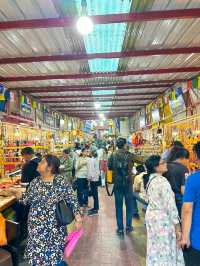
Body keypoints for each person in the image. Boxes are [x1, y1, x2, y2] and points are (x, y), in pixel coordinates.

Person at [12, 154, 82, 266]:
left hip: (54, 227)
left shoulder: (60, 181)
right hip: (36, 228)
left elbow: (72, 199)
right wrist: (17, 195)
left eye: (42, 162)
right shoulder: (35, 182)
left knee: (54, 256)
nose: (39, 163)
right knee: (37, 257)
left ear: (50, 167)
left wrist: (78, 219)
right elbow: (27, 200)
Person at [145, 155, 184, 266]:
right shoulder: (163, 182)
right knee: (166, 248)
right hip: (163, 220)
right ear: (156, 167)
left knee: (154, 246)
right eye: (163, 163)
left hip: (152, 217)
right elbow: (170, 206)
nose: (166, 164)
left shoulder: (150, 180)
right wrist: (177, 226)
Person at [108, 137, 134, 236]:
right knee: (129, 205)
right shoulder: (130, 155)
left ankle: (120, 228)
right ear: (124, 145)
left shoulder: (112, 155)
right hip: (128, 183)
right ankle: (128, 226)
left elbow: (110, 167)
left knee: (118, 206)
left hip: (118, 183)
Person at [181, 142, 200, 265]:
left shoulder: (193, 180)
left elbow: (187, 211)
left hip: (197, 239)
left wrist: (185, 237)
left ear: (197, 156)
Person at [165, 146, 189, 217]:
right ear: (182, 158)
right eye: (187, 159)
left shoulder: (165, 166)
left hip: (167, 196)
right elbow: (183, 189)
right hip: (178, 198)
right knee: (180, 219)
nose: (188, 161)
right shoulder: (184, 169)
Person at [87, 150, 100, 216]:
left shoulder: (92, 160)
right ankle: (95, 208)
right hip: (96, 179)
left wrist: (89, 179)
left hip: (93, 179)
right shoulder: (96, 160)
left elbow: (91, 171)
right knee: (95, 195)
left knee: (95, 195)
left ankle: (95, 210)